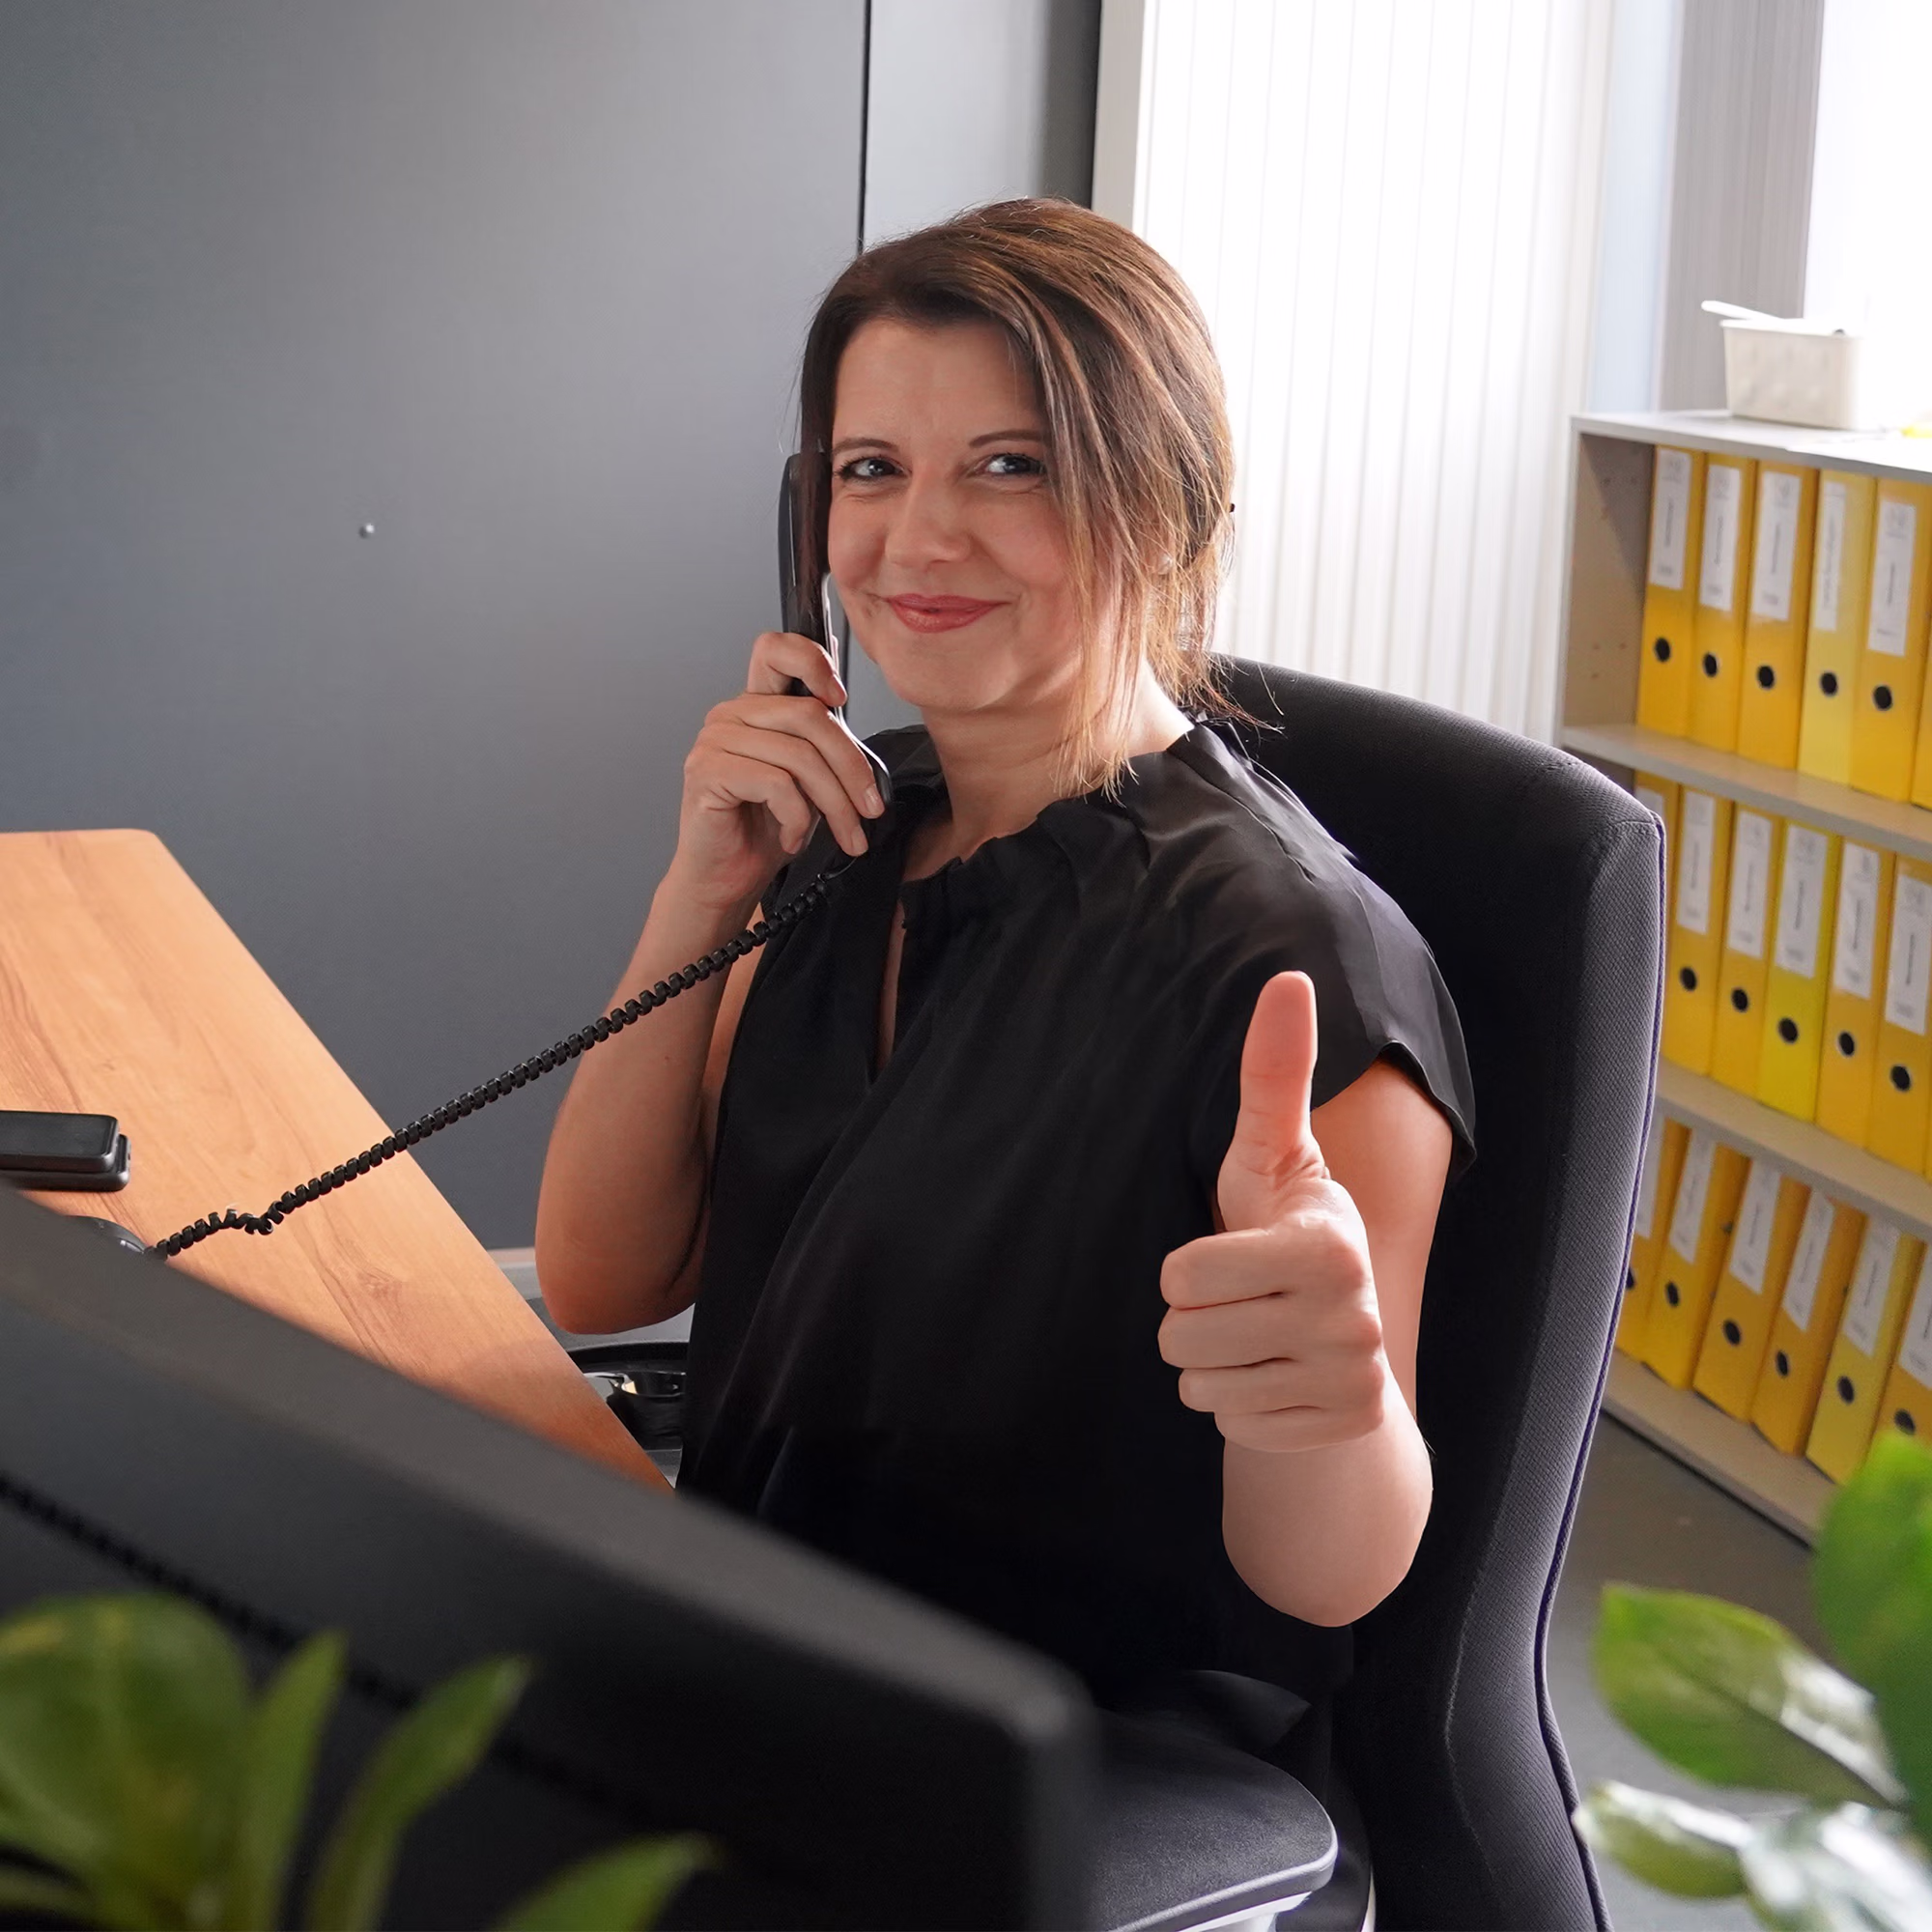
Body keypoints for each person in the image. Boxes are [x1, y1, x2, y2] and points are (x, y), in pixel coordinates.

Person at [536, 200, 1474, 1774]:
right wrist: (697, 902)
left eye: (1011, 464)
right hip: (752, 1659)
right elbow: (600, 1279)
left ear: (1164, 507)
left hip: (1036, 1763)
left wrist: (1325, 1401)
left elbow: (1334, 1576)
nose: (920, 541)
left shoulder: (1291, 954)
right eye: (869, 471)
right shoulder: (849, 824)